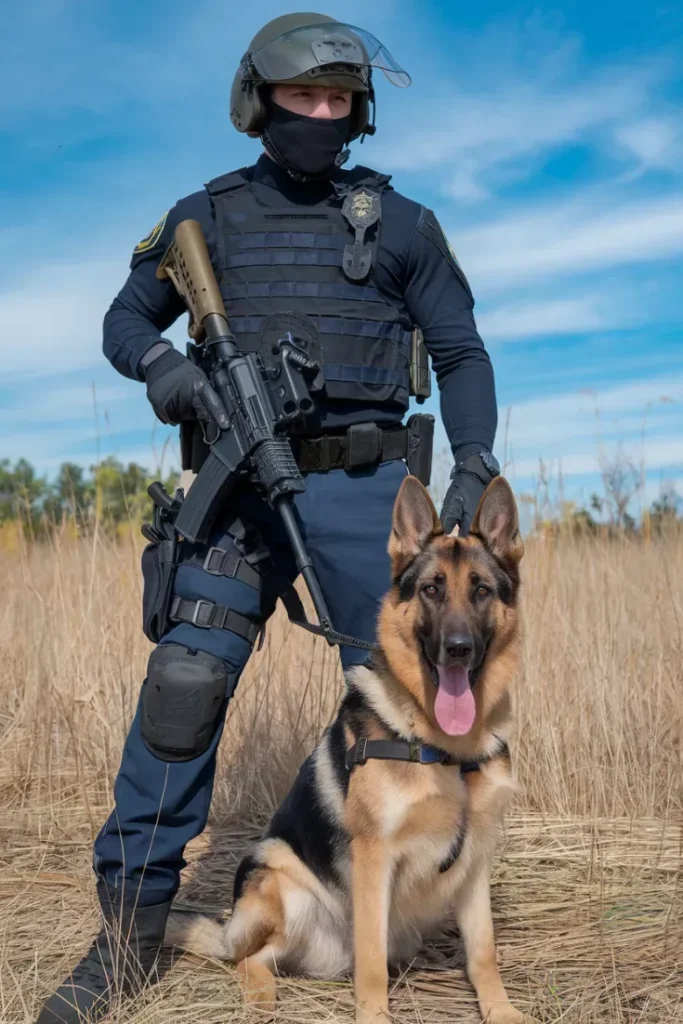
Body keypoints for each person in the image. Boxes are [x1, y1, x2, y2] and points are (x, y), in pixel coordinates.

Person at [36, 13, 500, 1024]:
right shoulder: (201, 219)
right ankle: (124, 939)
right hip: (231, 490)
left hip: (365, 498)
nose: (321, 116)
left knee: (417, 701)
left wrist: (471, 466)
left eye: (339, 101)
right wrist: (167, 373)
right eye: (303, 98)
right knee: (182, 686)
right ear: (261, 103)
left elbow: (460, 355)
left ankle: (415, 909)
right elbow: (124, 319)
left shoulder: (402, 225)